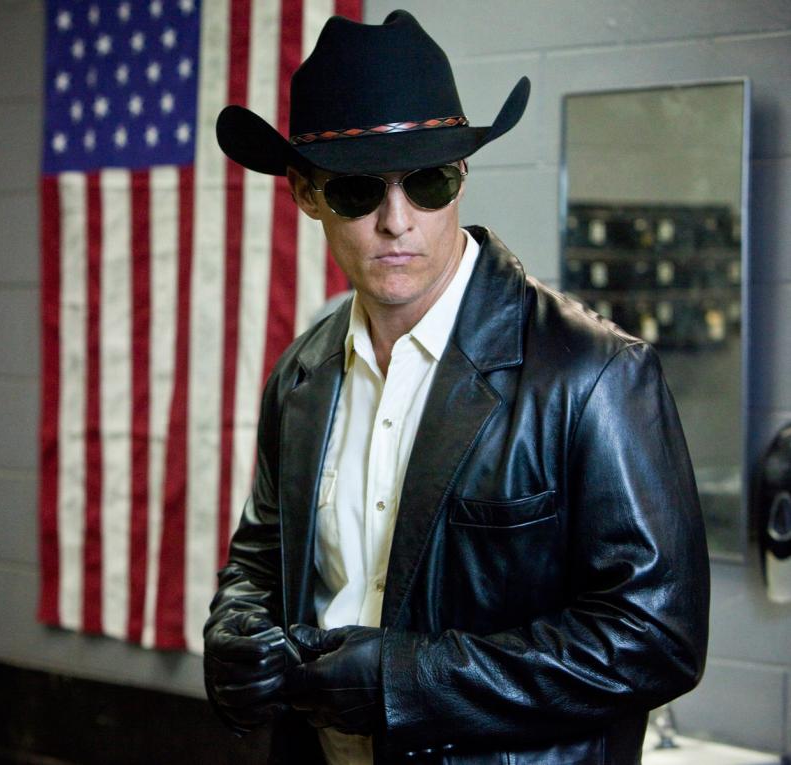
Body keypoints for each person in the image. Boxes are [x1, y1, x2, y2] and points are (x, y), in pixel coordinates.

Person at [203, 10, 709, 765]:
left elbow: (658, 636)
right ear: (306, 194)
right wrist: (236, 630)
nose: (397, 221)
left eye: (428, 181)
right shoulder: (302, 374)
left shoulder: (593, 372)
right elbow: (260, 558)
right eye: (356, 191)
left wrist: (407, 681)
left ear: (462, 176)